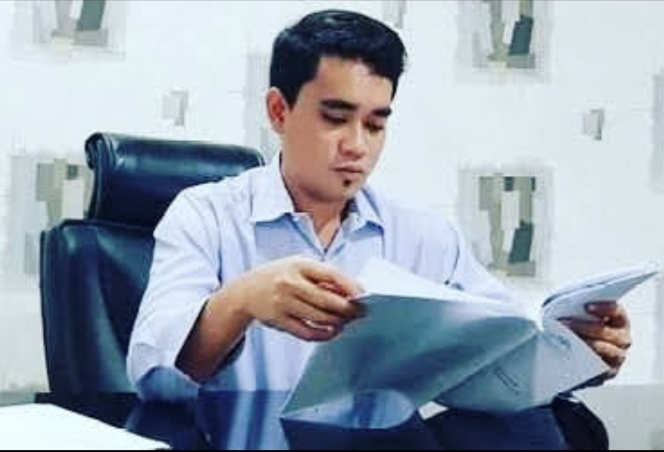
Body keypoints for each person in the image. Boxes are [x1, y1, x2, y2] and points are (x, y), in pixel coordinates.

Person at [127, 9, 631, 404]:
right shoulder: (206, 217)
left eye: (375, 124)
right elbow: (153, 379)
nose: (357, 146)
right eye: (335, 117)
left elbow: (504, 356)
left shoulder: (425, 236)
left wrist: (580, 354)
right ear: (279, 111)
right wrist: (241, 300)